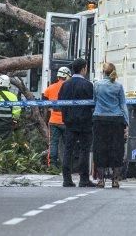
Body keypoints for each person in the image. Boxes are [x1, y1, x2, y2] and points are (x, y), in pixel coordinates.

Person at [92, 62, 129, 188]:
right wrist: (127, 123)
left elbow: (94, 101)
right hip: (116, 121)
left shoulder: (97, 85)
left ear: (103, 72)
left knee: (100, 149)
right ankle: (115, 180)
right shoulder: (118, 86)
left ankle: (101, 180)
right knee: (116, 149)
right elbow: (123, 105)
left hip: (100, 120)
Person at [59, 58, 94, 187]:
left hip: (69, 123)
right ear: (84, 68)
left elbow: (60, 103)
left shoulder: (65, 85)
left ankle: (66, 179)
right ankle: (84, 179)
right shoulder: (88, 85)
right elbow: (92, 104)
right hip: (85, 122)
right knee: (84, 150)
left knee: (68, 150)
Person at [42, 66, 71, 168]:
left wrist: (51, 108)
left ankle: (52, 165)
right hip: (66, 121)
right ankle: (67, 166)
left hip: (53, 120)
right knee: (67, 144)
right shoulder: (69, 86)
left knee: (53, 143)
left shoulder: (50, 88)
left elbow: (44, 102)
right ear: (67, 76)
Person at [0, 74, 21, 139]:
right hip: (6, 123)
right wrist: (15, 120)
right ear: (8, 85)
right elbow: (17, 111)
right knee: (6, 143)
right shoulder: (13, 96)